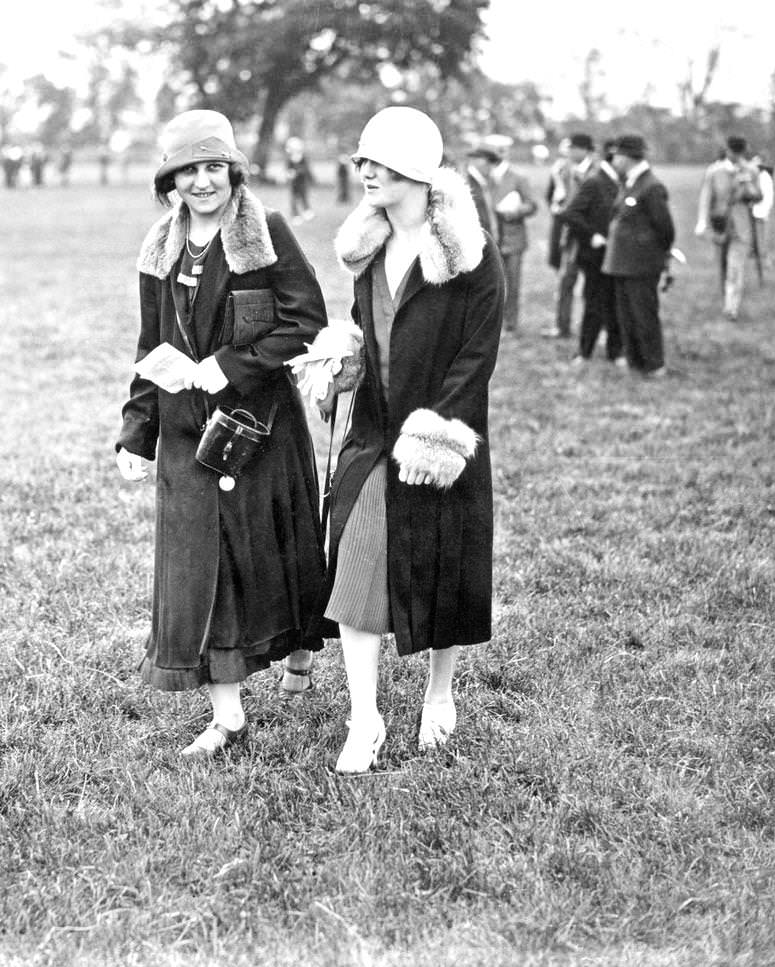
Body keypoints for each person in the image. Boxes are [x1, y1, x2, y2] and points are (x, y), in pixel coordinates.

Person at [114, 109, 328, 755]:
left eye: (214, 167)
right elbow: (151, 345)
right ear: (170, 180)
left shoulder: (268, 231)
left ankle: (296, 648)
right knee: (194, 571)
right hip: (185, 435)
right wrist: (136, 429)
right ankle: (228, 716)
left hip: (258, 429)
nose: (203, 181)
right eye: (189, 170)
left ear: (233, 171)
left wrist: (226, 367)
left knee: (269, 560)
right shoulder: (160, 245)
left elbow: (305, 322)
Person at [309, 106, 504, 775]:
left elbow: (476, 357)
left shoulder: (471, 257)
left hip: (438, 438)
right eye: (361, 159)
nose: (363, 170)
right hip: (371, 436)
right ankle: (364, 718)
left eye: (378, 162)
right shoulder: (366, 248)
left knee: (444, 570)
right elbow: (365, 326)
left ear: (416, 173)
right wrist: (342, 359)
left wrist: (439, 437)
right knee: (356, 568)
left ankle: (439, 691)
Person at [602, 134, 676, 378]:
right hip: (623, 264)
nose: (613, 159)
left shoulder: (651, 186)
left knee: (643, 315)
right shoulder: (632, 182)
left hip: (641, 265)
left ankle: (654, 364)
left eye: (616, 155)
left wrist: (656, 257)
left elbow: (665, 229)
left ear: (626, 157)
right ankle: (636, 362)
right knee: (627, 316)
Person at [557, 138, 622, 363]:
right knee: (595, 304)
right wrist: (592, 234)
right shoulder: (595, 182)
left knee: (615, 304)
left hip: (617, 255)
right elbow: (570, 213)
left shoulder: (622, 182)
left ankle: (616, 352)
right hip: (595, 256)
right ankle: (584, 352)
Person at [469, 134, 537, 333]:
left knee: (513, 283)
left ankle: (510, 322)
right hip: (490, 239)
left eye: (503, 150)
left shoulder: (518, 177)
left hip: (513, 238)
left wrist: (516, 211)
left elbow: (532, 205)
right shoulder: (481, 179)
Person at [694, 135, 764, 321]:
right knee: (723, 265)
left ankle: (731, 307)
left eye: (739, 153)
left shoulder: (751, 170)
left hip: (741, 226)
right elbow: (706, 197)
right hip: (719, 223)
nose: (736, 156)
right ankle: (726, 295)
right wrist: (702, 222)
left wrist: (747, 185)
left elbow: (759, 197)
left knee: (735, 267)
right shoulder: (714, 171)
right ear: (727, 151)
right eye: (733, 152)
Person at [545, 134, 594, 338]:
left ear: (584, 150)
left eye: (573, 148)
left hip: (590, 236)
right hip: (570, 234)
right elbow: (556, 198)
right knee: (565, 280)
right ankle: (562, 326)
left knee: (592, 287)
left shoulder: (596, 171)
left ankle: (593, 330)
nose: (569, 152)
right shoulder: (563, 169)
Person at [750, 154, 775, 271]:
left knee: (763, 239)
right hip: (752, 212)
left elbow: (768, 197)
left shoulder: (765, 178)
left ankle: (765, 260)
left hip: (761, 212)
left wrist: (764, 211)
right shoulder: (753, 177)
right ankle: (755, 257)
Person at [285, 137, 314, 223]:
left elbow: (305, 169)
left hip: (302, 182)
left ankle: (307, 211)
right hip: (293, 183)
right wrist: (289, 174)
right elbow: (287, 169)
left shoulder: (302, 158)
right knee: (293, 199)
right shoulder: (290, 159)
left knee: (303, 197)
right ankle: (295, 215)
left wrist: (296, 172)